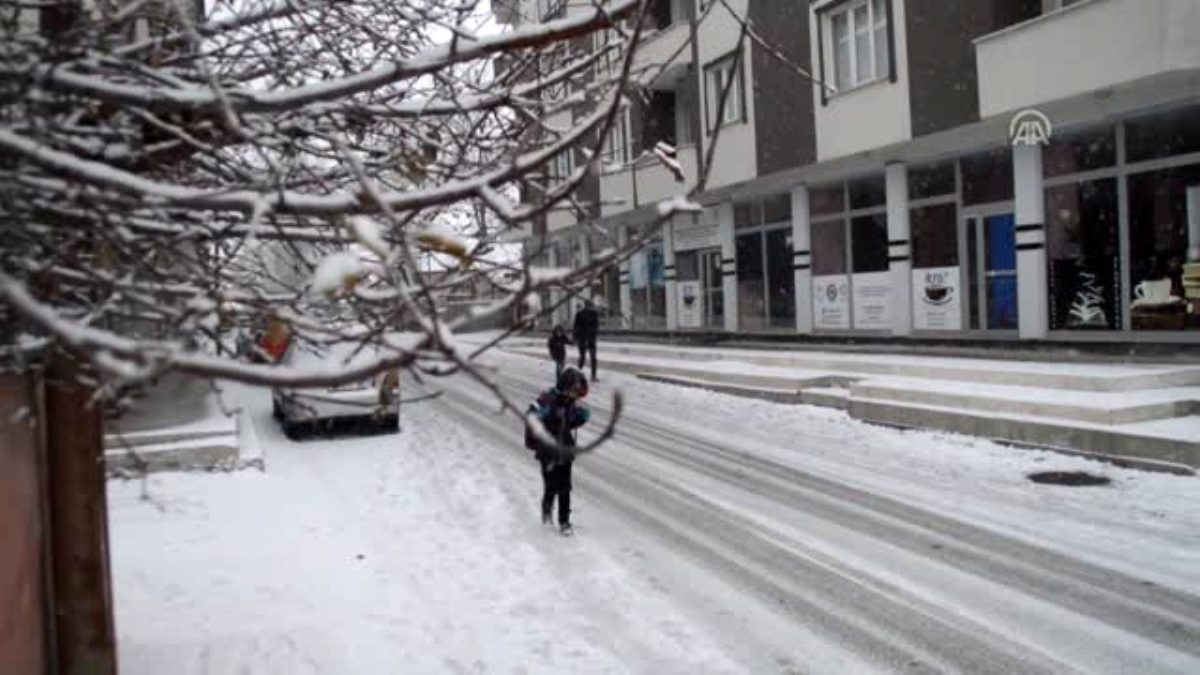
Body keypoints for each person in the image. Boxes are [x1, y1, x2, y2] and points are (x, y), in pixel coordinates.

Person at [531, 366, 590, 536]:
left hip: (564, 450)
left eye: (577, 392)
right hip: (547, 450)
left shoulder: (571, 404)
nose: (575, 395)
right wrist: (548, 414)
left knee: (565, 487)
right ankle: (547, 515)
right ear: (565, 386)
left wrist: (577, 414)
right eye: (573, 391)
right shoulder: (548, 398)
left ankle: (564, 522)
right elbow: (532, 414)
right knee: (551, 486)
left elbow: (583, 415)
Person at [572, 300, 600, 381]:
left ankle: (592, 375)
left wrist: (593, 335)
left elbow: (595, 326)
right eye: (589, 305)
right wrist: (575, 337)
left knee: (592, 358)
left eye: (590, 306)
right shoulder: (579, 314)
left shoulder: (594, 314)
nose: (590, 307)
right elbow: (576, 327)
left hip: (589, 339)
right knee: (583, 357)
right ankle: (579, 373)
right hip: (583, 339)